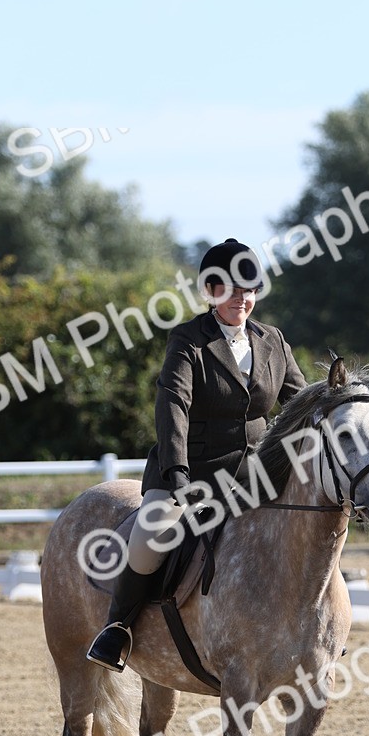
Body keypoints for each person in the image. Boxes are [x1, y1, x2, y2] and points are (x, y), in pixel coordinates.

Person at [87, 238, 308, 671]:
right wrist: (179, 476)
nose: (240, 299)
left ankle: (316, 628)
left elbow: (299, 402)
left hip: (254, 476)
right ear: (210, 291)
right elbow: (173, 407)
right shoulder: (189, 339)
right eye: (228, 289)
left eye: (248, 290)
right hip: (191, 473)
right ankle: (118, 629)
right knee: (152, 534)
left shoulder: (273, 341)